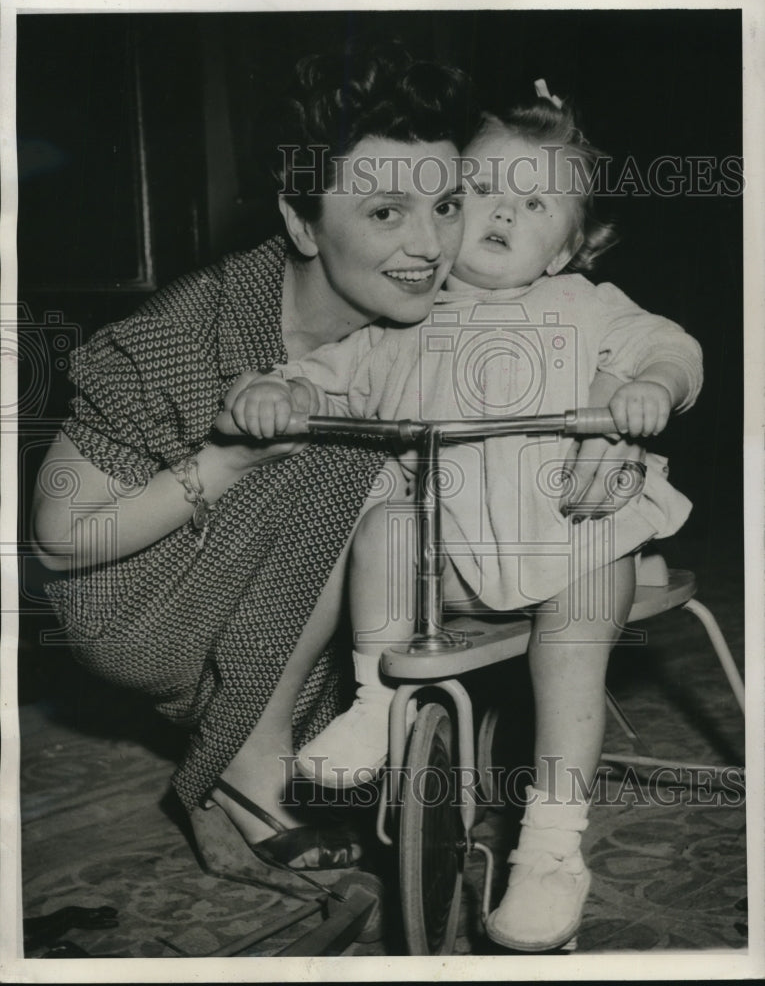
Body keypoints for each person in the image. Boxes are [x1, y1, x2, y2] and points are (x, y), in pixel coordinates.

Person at [231, 82, 703, 945]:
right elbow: (321, 375)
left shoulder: (583, 305)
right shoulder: (401, 322)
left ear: (571, 248)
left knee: (573, 639)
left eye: (532, 201)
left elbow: (672, 347)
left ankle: (551, 845)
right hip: (442, 562)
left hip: (570, 527)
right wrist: (275, 390)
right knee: (381, 525)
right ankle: (378, 698)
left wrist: (647, 388)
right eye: (479, 191)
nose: (500, 212)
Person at [30, 41, 479, 893]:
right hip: (133, 596)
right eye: (385, 213)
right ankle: (250, 754)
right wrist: (227, 460)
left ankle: (274, 735)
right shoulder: (181, 332)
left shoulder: (444, 316)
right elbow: (57, 547)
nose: (431, 246)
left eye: (447, 205)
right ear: (302, 222)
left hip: (288, 607)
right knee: (351, 452)